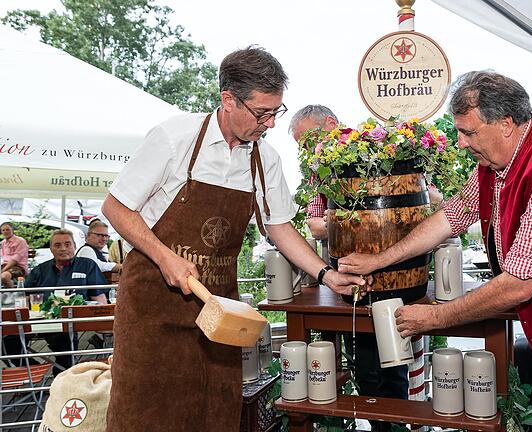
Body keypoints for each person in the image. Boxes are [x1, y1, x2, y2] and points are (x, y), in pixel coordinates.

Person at [340, 71, 532, 431]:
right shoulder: (495, 161)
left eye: (468, 132)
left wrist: (434, 318)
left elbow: (518, 284)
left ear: (506, 124)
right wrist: (380, 259)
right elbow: (452, 216)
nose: (461, 143)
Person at [102, 46, 366, 432]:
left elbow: (279, 227)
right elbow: (116, 207)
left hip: (220, 312)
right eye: (262, 113)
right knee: (146, 413)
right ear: (228, 100)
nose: (271, 123)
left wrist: (327, 274)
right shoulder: (174, 138)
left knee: (215, 410)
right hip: (151, 310)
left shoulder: (266, 159)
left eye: (276, 111)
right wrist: (164, 256)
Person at [291, 105, 408, 430]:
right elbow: (314, 225)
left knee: (397, 363)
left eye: (308, 140)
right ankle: (381, 426)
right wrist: (357, 219)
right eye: (301, 146)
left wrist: (353, 220)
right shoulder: (321, 170)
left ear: (330, 124)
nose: (305, 151)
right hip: (350, 281)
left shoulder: (378, 153)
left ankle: (398, 424)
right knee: (366, 367)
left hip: (396, 276)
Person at [26, 229, 108, 372]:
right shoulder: (40, 270)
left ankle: (60, 373)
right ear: (51, 249)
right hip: (42, 322)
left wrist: (102, 322)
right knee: (8, 342)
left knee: (64, 340)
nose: (63, 248)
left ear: (75, 246)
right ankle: (37, 370)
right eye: (57, 245)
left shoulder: (87, 265)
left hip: (74, 324)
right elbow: (24, 298)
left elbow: (100, 299)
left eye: (67, 244)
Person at [288, 104, 339, 241]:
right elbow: (315, 226)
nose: (311, 150)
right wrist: (339, 222)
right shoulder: (316, 168)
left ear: (331, 124)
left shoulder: (371, 152)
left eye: (312, 140)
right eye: (304, 146)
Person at [1, 222, 29, 288]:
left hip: (18, 267)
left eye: (7, 229)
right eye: (3, 230)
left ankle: (12, 295)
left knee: (4, 276)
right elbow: (3, 258)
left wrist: (3, 270)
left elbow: (15, 260)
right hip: (5, 266)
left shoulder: (20, 241)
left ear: (12, 230)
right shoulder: (3, 243)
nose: (5, 232)